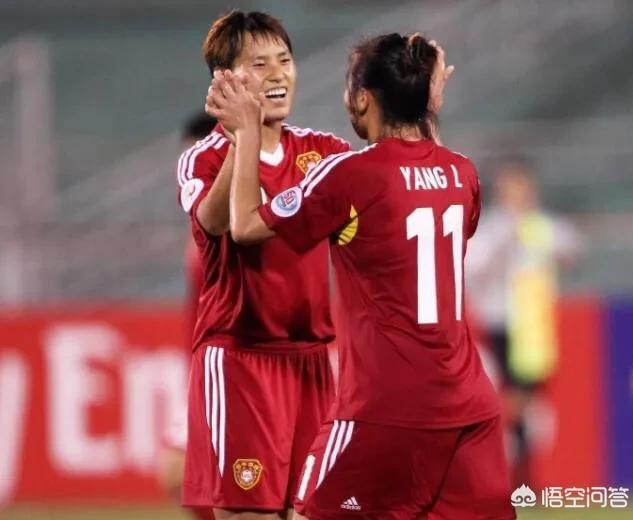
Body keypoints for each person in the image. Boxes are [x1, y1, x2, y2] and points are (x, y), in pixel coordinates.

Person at [208, 32, 514, 519]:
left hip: (384, 408)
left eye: (349, 86)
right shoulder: (463, 173)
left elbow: (244, 226)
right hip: (470, 411)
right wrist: (426, 108)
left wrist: (245, 133)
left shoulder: (349, 174)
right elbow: (425, 173)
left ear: (364, 98)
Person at [177, 11, 352, 519]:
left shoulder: (325, 152)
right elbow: (216, 222)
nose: (278, 74)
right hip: (242, 360)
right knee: (249, 513)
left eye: (285, 60)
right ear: (226, 79)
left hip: (314, 362)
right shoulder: (203, 158)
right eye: (260, 64)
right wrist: (243, 137)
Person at [466, 160, 583, 484]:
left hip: (532, 326)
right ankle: (508, 467)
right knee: (509, 396)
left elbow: (572, 249)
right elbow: (472, 268)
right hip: (498, 321)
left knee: (527, 398)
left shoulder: (541, 226)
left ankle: (523, 469)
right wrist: (506, 239)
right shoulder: (490, 228)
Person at [160, 112, 217, 520]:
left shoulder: (227, 215)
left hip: (221, 363)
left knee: (177, 472)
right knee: (183, 476)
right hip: (200, 366)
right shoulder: (197, 215)